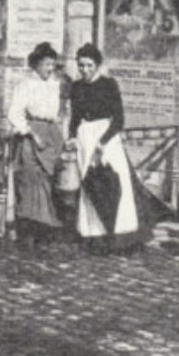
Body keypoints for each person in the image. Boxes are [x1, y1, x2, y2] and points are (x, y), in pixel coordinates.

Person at [68, 43, 144, 253]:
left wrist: (103, 142)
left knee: (114, 182)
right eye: (81, 65)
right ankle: (94, 235)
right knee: (90, 184)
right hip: (85, 139)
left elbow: (119, 119)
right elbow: (75, 118)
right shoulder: (76, 87)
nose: (84, 70)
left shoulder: (109, 85)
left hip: (107, 138)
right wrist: (72, 137)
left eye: (89, 65)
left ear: (98, 65)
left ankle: (120, 236)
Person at [4, 41, 67, 250]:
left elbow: (58, 113)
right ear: (37, 64)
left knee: (50, 185)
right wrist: (30, 132)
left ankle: (45, 235)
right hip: (32, 139)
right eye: (47, 64)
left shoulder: (54, 84)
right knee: (32, 184)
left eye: (52, 64)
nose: (50, 68)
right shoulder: (26, 85)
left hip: (51, 135)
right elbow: (14, 113)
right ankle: (28, 236)